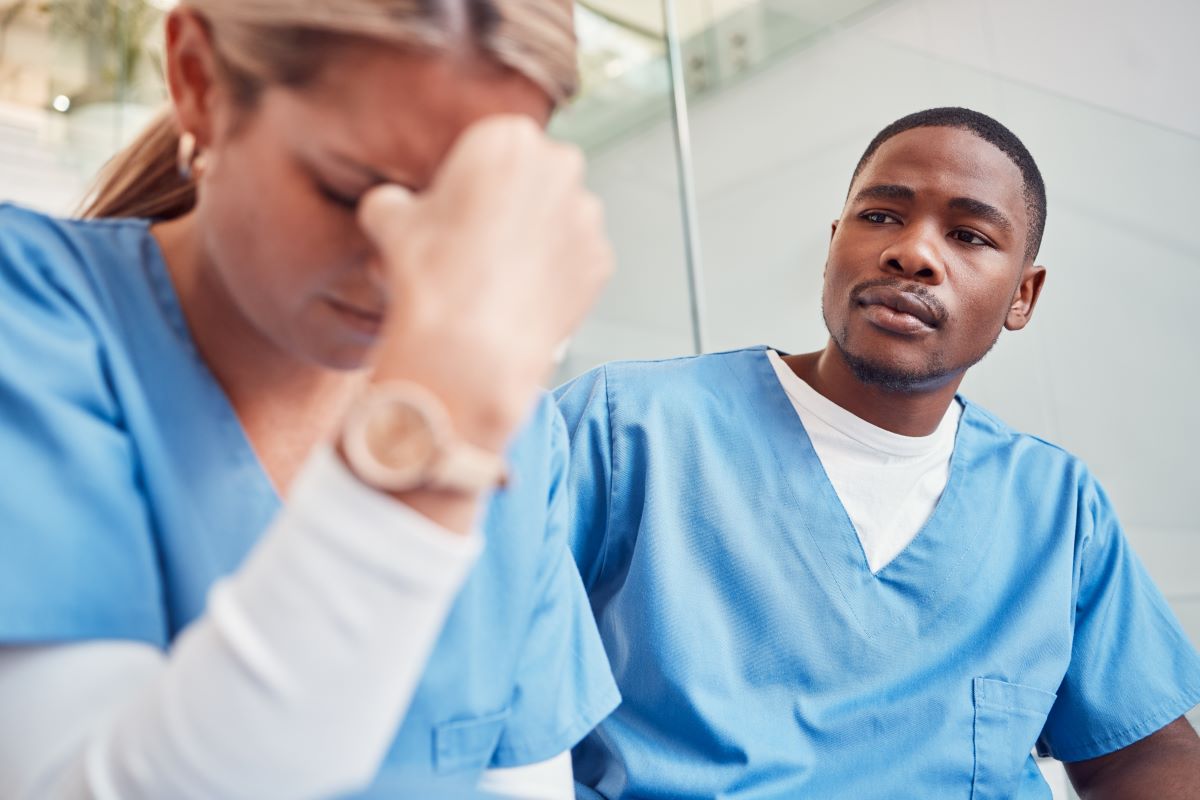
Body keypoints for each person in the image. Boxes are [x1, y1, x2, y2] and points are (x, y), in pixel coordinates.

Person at [0, 1, 620, 798]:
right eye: (349, 192)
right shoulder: (33, 316)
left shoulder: (524, 435)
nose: (405, 267)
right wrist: (428, 443)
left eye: (458, 213)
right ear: (197, 80)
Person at [556, 107, 1200, 799]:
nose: (913, 254)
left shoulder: (1053, 505)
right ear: (834, 245)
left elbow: (1144, 755)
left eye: (968, 234)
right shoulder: (630, 430)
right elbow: (479, 671)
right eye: (881, 217)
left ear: (1023, 294)